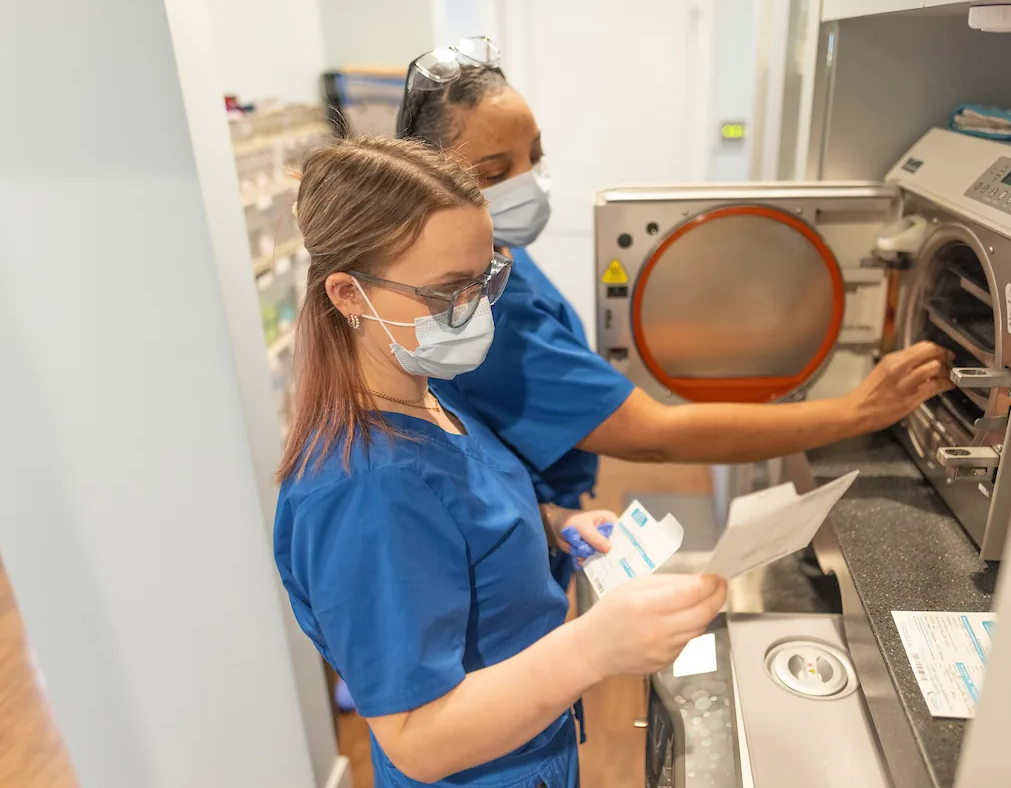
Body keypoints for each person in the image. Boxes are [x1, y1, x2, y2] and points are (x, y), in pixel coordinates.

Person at [397, 39, 955, 588]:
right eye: (496, 174)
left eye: (535, 157)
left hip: (544, 516)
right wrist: (857, 410)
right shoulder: (487, 307)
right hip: (514, 547)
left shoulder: (497, 255)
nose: (530, 183)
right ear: (427, 179)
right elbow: (654, 435)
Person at [274, 136, 727, 787]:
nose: (477, 310)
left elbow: (458, 507)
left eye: (486, 279)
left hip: (530, 745)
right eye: (447, 291)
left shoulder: (424, 392)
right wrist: (593, 648)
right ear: (348, 295)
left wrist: (550, 524)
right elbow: (418, 741)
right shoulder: (364, 489)